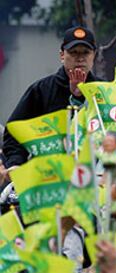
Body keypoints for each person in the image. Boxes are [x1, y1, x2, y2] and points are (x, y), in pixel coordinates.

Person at [1, 26, 100, 178]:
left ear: (94, 56)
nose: (80, 58)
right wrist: (16, 164)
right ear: (62, 55)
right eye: (73, 52)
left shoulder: (104, 91)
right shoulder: (41, 90)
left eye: (86, 53)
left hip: (96, 180)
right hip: (49, 179)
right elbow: (15, 132)